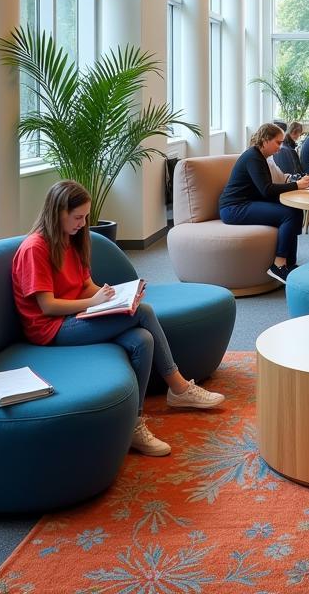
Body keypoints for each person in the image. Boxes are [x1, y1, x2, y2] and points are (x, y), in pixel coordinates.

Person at [12, 180, 226, 458]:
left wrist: (112, 295)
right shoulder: (35, 249)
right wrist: (94, 303)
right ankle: (179, 386)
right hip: (51, 330)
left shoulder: (72, 240)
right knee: (145, 312)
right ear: (57, 213)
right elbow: (48, 305)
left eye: (85, 217)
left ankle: (132, 424)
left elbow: (86, 284)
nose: (82, 223)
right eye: (77, 217)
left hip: (77, 314)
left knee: (142, 338)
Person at [218, 122, 309, 285]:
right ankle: (278, 265)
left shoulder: (260, 157)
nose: (280, 147)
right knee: (289, 215)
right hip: (234, 208)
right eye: (278, 142)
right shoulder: (252, 157)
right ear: (265, 140)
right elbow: (267, 190)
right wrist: (296, 185)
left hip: (247, 203)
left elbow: (265, 190)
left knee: (294, 210)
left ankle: (289, 264)